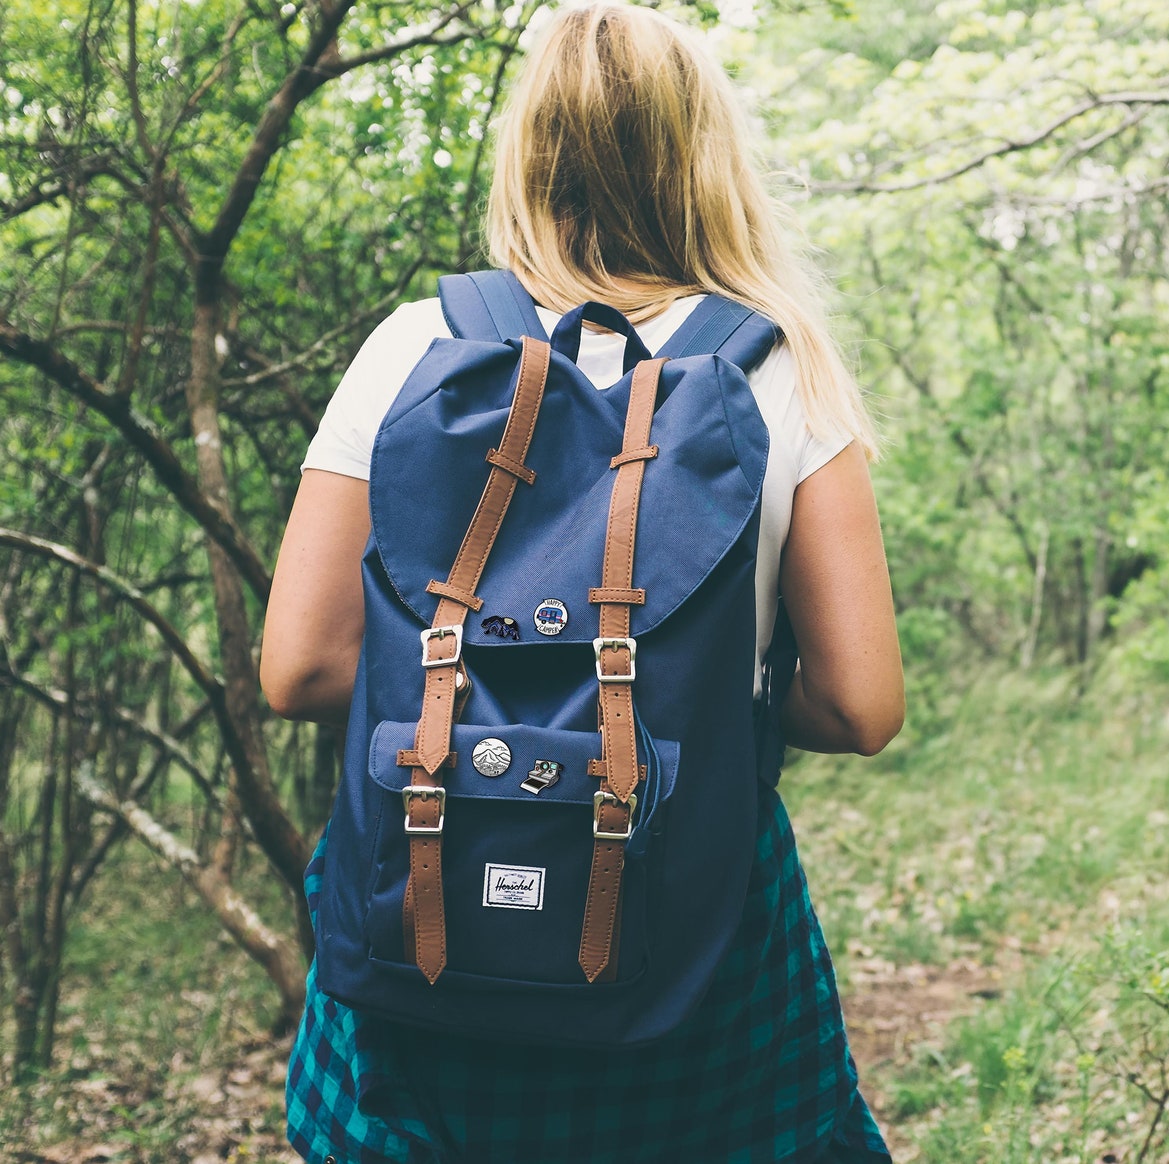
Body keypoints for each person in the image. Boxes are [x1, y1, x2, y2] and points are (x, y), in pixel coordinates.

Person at [259, 4, 906, 1161]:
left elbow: (302, 665)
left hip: (428, 908)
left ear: (531, 149)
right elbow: (859, 706)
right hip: (689, 934)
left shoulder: (411, 348)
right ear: (704, 156)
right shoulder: (781, 369)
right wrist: (718, 707)